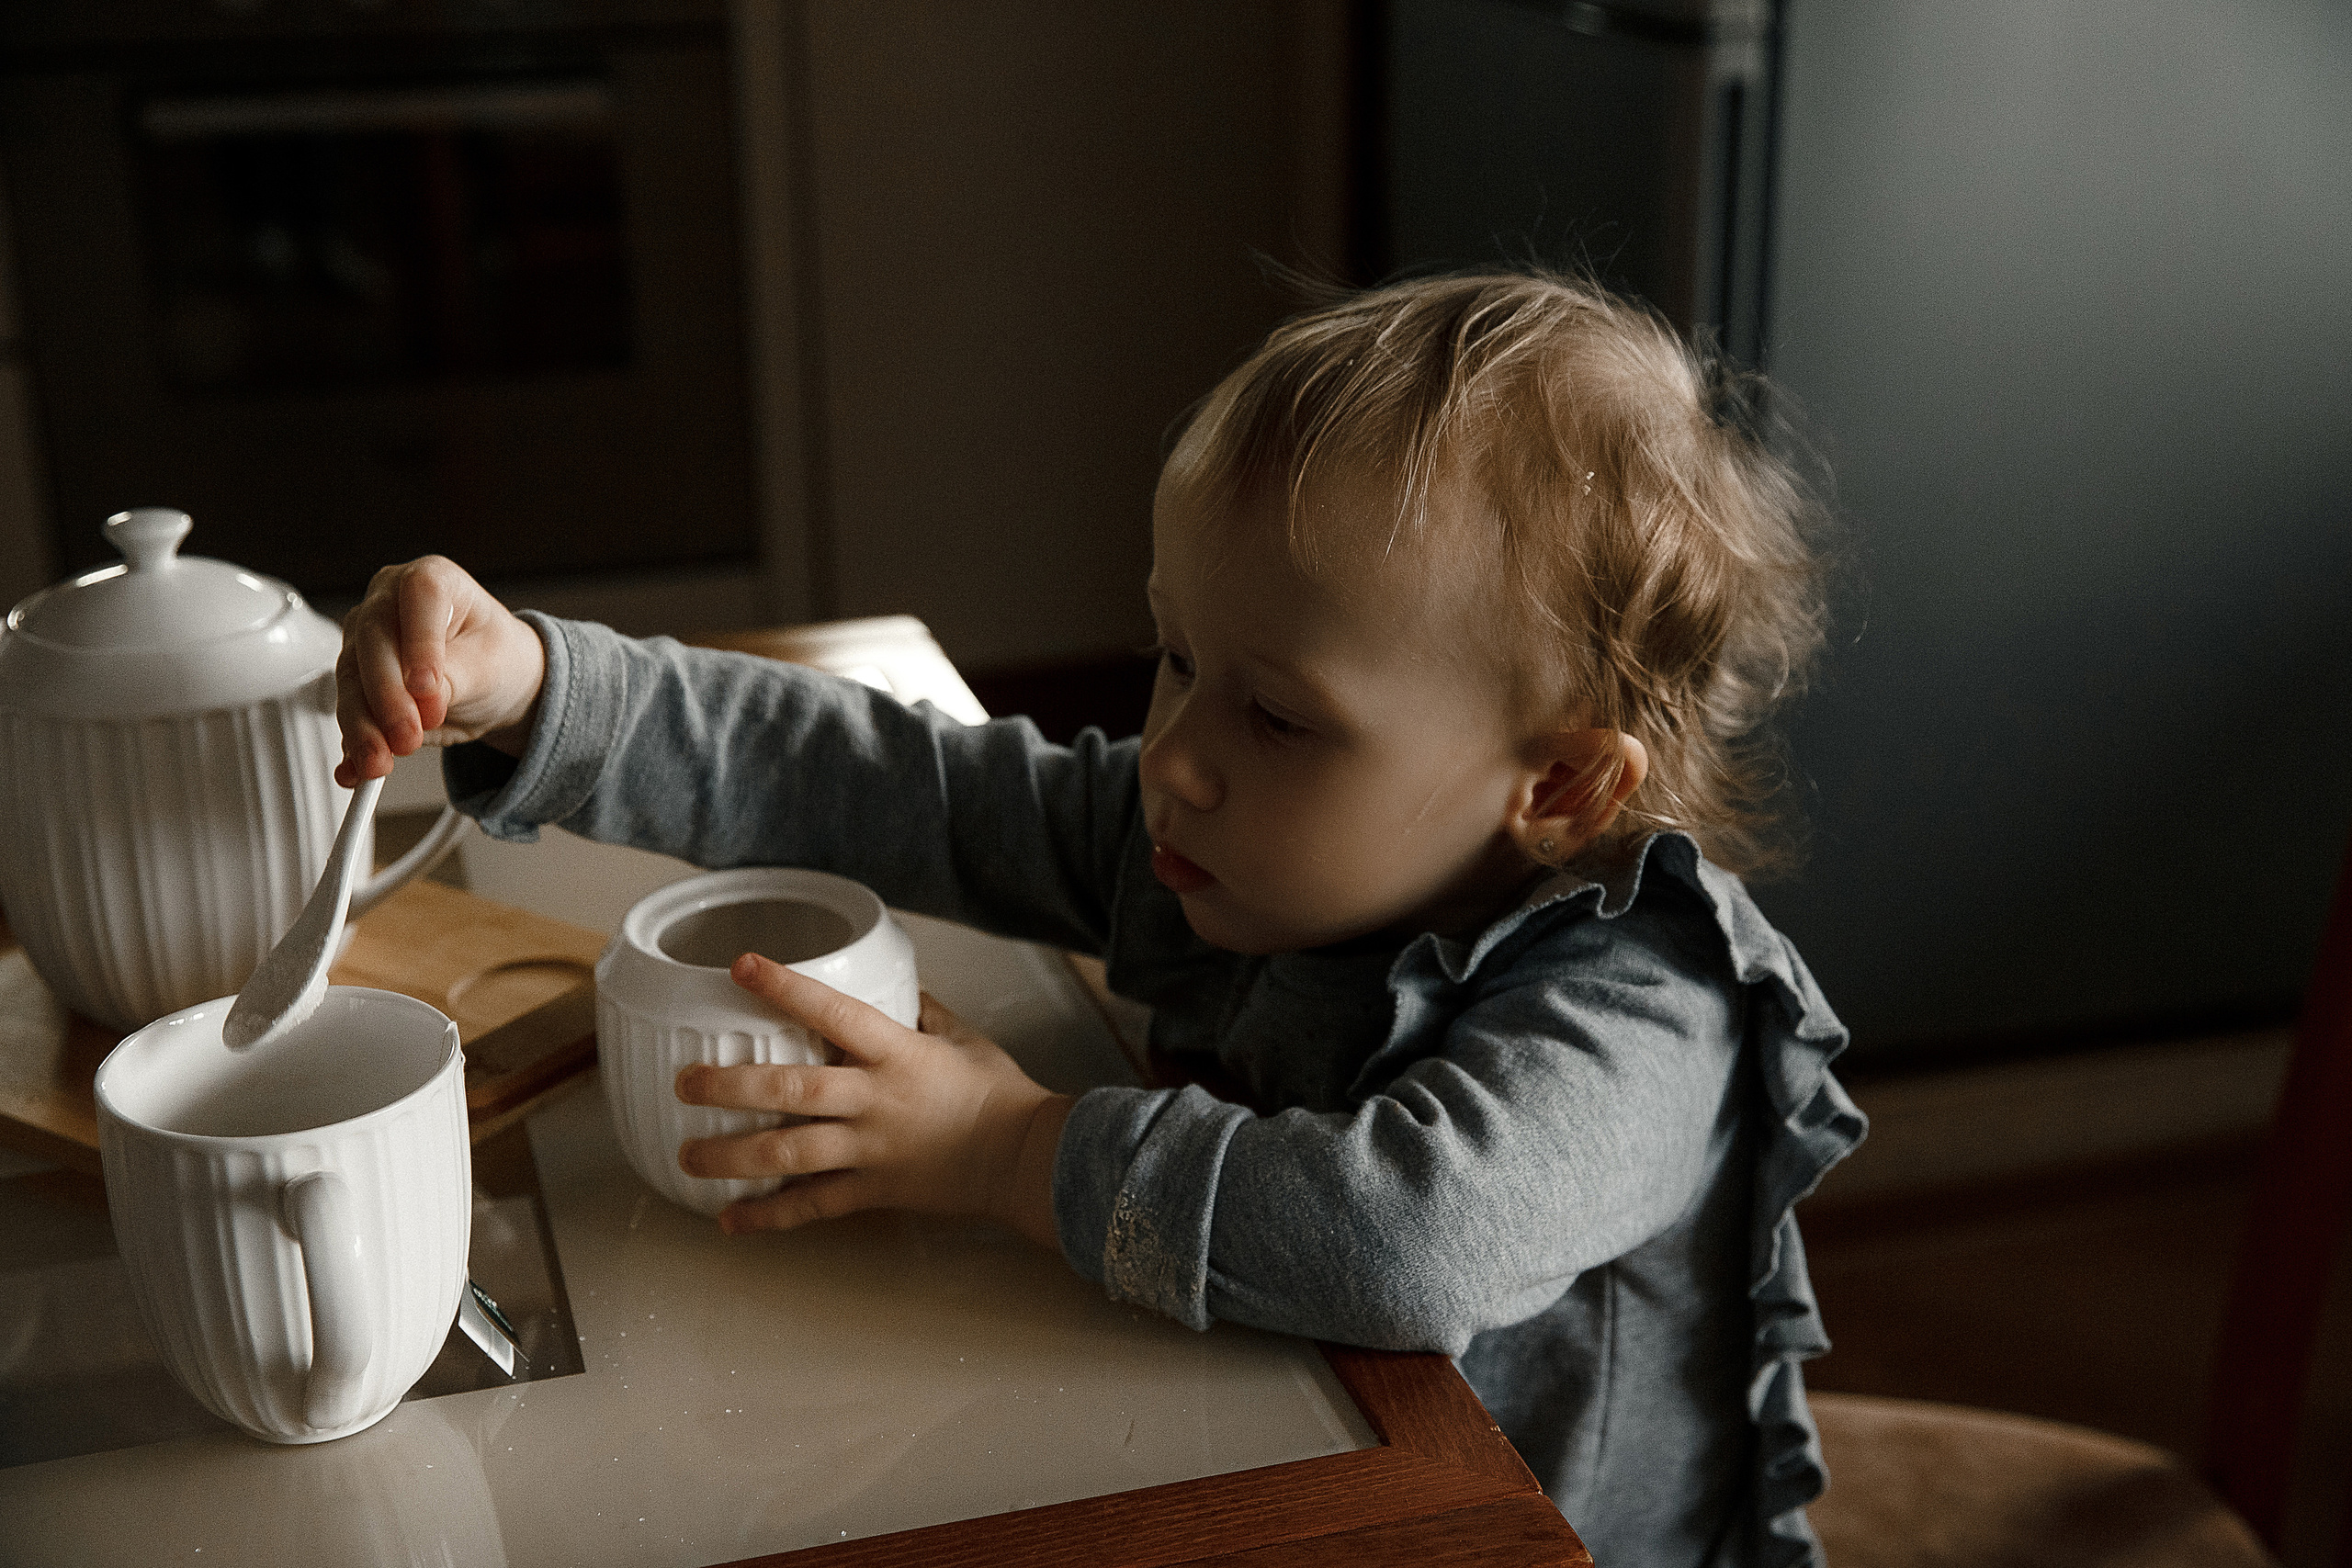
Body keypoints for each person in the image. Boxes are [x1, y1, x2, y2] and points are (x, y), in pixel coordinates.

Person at [336, 272, 1864, 1568]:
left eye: (1278, 715)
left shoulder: (1647, 1005)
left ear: (1562, 785)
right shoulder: (1219, 834)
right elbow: (895, 783)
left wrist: (1006, 1151)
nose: (1176, 755)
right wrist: (546, 688)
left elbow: (1411, 1244)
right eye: (1176, 658)